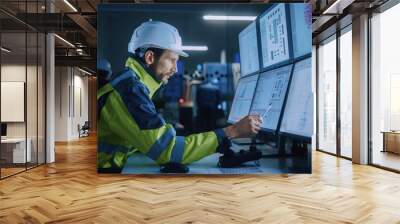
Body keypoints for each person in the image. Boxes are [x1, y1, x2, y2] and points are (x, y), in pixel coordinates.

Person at [97, 21, 262, 173]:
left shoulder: (131, 85)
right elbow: (168, 150)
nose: (175, 69)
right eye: (172, 60)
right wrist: (232, 131)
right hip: (104, 174)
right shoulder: (129, 92)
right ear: (149, 57)